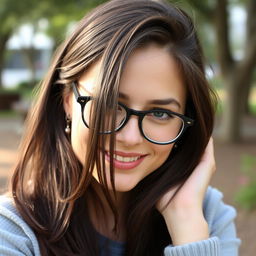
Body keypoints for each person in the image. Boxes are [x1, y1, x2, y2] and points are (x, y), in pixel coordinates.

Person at [0, 0, 240, 255]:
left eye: (160, 113)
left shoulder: (206, 216)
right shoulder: (14, 232)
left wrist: (186, 222)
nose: (129, 137)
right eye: (109, 105)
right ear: (68, 101)